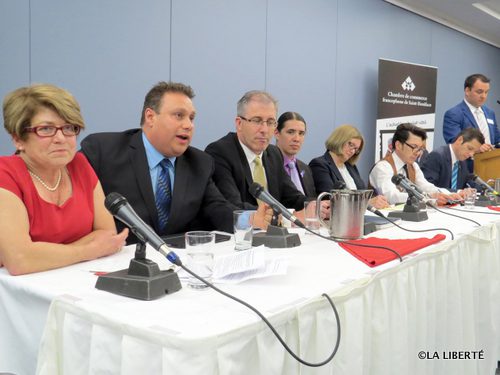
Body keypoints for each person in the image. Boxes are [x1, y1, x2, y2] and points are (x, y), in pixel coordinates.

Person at [81, 82, 270, 243]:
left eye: (191, 118)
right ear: (150, 117)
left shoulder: (200, 163)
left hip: (173, 266)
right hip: (112, 264)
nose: (188, 125)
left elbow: (217, 209)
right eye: (179, 115)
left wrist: (250, 219)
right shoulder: (103, 152)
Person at [0, 84, 128, 275]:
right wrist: (89, 250)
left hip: (74, 282)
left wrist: (42, 253)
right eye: (45, 129)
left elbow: (107, 234)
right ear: (18, 139)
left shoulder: (79, 164)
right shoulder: (6, 174)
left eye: (68, 128)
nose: (61, 138)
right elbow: (20, 260)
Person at [205, 90, 314, 216]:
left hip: (273, 233)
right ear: (239, 123)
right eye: (257, 121)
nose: (264, 130)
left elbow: (292, 197)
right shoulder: (219, 152)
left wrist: (314, 205)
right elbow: (233, 206)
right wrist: (282, 217)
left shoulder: (273, 153)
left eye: (270, 122)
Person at [369, 123, 460, 205]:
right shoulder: (383, 167)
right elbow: (392, 196)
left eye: (420, 149)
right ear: (398, 145)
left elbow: (426, 186)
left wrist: (450, 194)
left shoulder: (413, 165)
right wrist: (428, 197)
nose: (418, 153)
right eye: (414, 147)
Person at [309, 124, 388, 209]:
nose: (353, 151)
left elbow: (363, 193)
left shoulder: (350, 166)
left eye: (356, 149)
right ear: (339, 139)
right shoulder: (319, 164)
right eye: (351, 145)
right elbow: (330, 199)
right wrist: (365, 203)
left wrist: (375, 201)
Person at [443, 74, 499, 152]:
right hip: (468, 162)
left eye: (486, 92)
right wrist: (477, 149)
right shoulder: (454, 114)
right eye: (479, 92)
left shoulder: (490, 113)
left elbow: (496, 139)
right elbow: (454, 142)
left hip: (490, 162)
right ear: (467, 91)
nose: (483, 96)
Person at [274, 111, 316, 198]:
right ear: (277, 133)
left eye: (301, 133)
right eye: (290, 132)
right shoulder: (267, 165)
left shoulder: (306, 169)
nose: (297, 139)